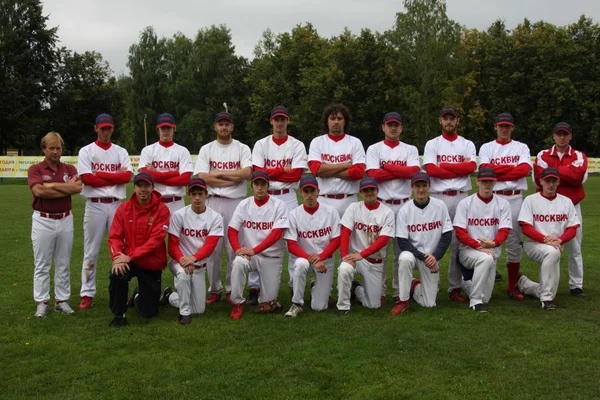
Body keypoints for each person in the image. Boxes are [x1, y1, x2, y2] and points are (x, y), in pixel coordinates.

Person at [193, 112, 255, 305]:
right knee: (213, 248)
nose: (224, 127)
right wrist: (232, 177)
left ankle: (230, 288)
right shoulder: (207, 149)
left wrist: (218, 174)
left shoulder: (242, 148)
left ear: (232, 127)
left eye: (227, 124)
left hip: (235, 202)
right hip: (212, 201)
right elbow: (202, 177)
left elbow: (246, 173)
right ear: (215, 126)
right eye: (220, 124)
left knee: (233, 247)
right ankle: (214, 288)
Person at [77, 114, 133, 310]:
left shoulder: (120, 151)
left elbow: (126, 177)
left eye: (108, 128)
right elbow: (87, 178)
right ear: (96, 128)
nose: (105, 131)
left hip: (117, 205)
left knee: (120, 249)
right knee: (91, 250)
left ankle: (120, 292)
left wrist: (99, 174)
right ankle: (87, 293)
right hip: (95, 204)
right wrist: (113, 177)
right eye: (102, 128)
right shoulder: (87, 151)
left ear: (112, 129)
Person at [423, 106, 477, 304]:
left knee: (458, 243)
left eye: (452, 118)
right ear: (440, 121)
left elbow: (471, 167)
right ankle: (431, 285)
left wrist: (443, 166)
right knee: (432, 241)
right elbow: (431, 170)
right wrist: (458, 169)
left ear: (457, 121)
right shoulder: (433, 144)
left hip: (462, 197)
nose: (448, 121)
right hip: (439, 197)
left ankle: (455, 287)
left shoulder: (467, 143)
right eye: (445, 118)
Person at [366, 111, 420, 305]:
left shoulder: (410, 149)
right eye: (389, 124)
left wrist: (387, 167)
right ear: (383, 127)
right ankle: (379, 291)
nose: (393, 128)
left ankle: (399, 291)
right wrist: (399, 172)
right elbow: (373, 175)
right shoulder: (374, 148)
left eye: (396, 124)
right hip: (381, 204)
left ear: (401, 128)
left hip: (404, 204)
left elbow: (413, 172)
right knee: (378, 252)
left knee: (401, 252)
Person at [252, 106, 308, 288]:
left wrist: (269, 173)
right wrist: (283, 170)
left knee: (292, 239)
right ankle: (255, 286)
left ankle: (294, 285)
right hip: (266, 196)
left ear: (288, 121)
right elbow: (257, 173)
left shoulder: (297, 144)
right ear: (271, 121)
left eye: (283, 119)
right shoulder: (261, 144)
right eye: (276, 119)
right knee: (259, 237)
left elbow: (296, 175)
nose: (280, 123)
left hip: (288, 196)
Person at [28, 132, 82, 317]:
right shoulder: (35, 169)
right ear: (44, 149)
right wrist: (63, 189)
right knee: (42, 264)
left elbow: (77, 188)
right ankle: (42, 302)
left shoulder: (69, 168)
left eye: (58, 148)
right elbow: (39, 192)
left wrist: (50, 185)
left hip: (65, 218)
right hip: (43, 220)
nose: (55, 152)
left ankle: (62, 300)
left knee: (63, 262)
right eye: (51, 148)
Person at [478, 113, 531, 300]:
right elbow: (485, 171)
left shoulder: (521, 147)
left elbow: (525, 170)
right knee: (486, 239)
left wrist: (496, 173)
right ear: (495, 127)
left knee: (514, 242)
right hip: (494, 197)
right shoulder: (487, 147)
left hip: (515, 198)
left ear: (512, 128)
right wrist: (511, 171)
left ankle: (512, 286)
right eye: (501, 126)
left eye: (507, 126)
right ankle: (482, 281)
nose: (504, 129)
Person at [107, 172, 170, 328]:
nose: (143, 189)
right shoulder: (123, 209)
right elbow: (114, 237)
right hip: (128, 259)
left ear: (153, 187)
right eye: (139, 185)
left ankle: (138, 295)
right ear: (134, 187)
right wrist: (117, 257)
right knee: (117, 274)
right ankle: (119, 315)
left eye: (147, 186)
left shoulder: (162, 210)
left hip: (151, 261)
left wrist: (130, 256)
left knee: (148, 312)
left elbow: (155, 241)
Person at [533, 122, 588, 298]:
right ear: (554, 135)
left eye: (565, 134)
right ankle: (547, 282)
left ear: (570, 136)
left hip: (571, 206)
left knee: (575, 247)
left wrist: (553, 172)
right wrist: (567, 173)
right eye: (559, 134)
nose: (562, 137)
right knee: (548, 245)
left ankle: (576, 284)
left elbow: (577, 176)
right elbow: (539, 178)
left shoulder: (578, 155)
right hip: (547, 207)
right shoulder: (543, 154)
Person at [228, 170, 290, 320]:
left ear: (268, 185)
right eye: (257, 184)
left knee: (268, 303)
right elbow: (232, 230)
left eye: (263, 184)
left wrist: (253, 250)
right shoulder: (244, 204)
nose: (260, 187)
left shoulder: (279, 205)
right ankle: (237, 303)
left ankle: (265, 296)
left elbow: (277, 234)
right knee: (238, 263)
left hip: (271, 256)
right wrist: (238, 250)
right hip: (249, 256)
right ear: (252, 185)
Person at [161, 178, 224, 325]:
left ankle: (169, 295)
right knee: (183, 276)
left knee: (199, 309)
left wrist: (193, 259)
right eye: (194, 194)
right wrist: (184, 260)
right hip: (179, 261)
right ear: (189, 194)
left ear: (206, 194)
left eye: (200, 194)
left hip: (199, 265)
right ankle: (184, 313)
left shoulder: (215, 217)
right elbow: (172, 246)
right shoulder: (179, 214)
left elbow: (210, 246)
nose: (197, 198)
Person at [517, 167, 580, 310]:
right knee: (552, 253)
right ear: (541, 181)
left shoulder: (566, 202)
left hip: (556, 245)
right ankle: (546, 300)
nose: (550, 184)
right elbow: (525, 227)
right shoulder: (531, 200)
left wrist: (560, 240)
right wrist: (546, 239)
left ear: (559, 182)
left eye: (554, 181)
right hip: (533, 244)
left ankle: (524, 283)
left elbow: (572, 228)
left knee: (551, 288)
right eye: (547, 181)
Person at [392, 172, 452, 315]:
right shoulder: (405, 209)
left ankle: (414, 285)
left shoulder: (440, 206)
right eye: (417, 186)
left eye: (424, 185)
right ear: (412, 187)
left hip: (432, 257)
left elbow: (447, 234)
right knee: (404, 258)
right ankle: (403, 301)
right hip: (413, 254)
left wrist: (435, 257)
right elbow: (402, 242)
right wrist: (424, 257)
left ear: (429, 186)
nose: (421, 189)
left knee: (429, 304)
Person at [453, 168, 512, 312]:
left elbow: (504, 230)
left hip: (492, 252)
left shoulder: (503, 204)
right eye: (484, 181)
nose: (487, 185)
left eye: (490, 181)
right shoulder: (466, 203)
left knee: (486, 297)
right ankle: (475, 301)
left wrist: (494, 243)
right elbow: (460, 232)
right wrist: (478, 246)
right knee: (485, 259)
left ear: (495, 182)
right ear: (477, 181)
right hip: (468, 251)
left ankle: (466, 283)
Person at [283, 176, 341, 317]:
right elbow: (291, 245)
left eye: (312, 191)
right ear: (301, 193)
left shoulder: (331, 211)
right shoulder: (293, 214)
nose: (309, 195)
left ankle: (315, 285)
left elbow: (336, 239)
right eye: (306, 191)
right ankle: (297, 303)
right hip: (304, 258)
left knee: (319, 307)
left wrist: (321, 257)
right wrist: (312, 259)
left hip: (325, 260)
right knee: (300, 264)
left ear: (318, 191)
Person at [336, 177, 395, 314]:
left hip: (375, 261)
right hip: (355, 258)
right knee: (344, 269)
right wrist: (344, 255)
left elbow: (384, 240)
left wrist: (362, 254)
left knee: (373, 305)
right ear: (360, 193)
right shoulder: (354, 207)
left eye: (372, 189)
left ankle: (356, 289)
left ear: (377, 190)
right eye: (365, 190)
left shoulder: (387, 212)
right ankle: (343, 306)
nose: (369, 193)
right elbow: (345, 231)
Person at [308, 103, 366, 218]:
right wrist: (346, 165)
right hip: (324, 200)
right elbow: (316, 169)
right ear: (327, 121)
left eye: (340, 118)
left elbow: (358, 173)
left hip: (349, 201)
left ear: (345, 121)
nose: (336, 122)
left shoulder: (355, 142)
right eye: (332, 118)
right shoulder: (317, 142)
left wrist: (327, 170)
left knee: (349, 236)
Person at [139, 113, 193, 213]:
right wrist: (176, 173)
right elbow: (146, 177)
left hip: (177, 203)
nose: (166, 131)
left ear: (174, 128)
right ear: (158, 129)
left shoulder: (183, 151)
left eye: (169, 127)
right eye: (163, 128)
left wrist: (156, 176)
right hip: (155, 202)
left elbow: (185, 180)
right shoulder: (148, 150)